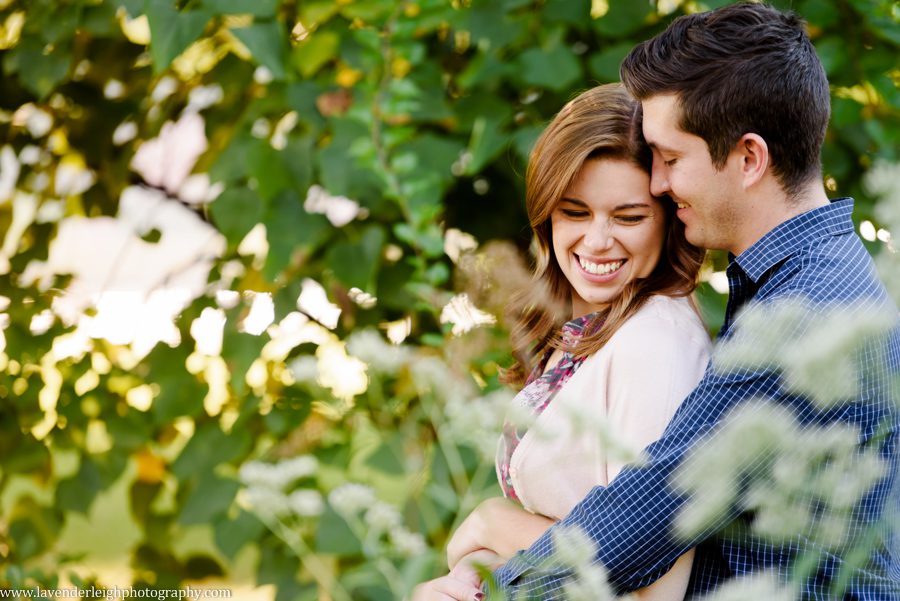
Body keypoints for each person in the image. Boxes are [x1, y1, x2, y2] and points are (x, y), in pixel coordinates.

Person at [462, 2, 900, 599]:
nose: (660, 183)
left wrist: (486, 580)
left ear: (749, 158)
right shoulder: (801, 278)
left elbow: (650, 511)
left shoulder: (807, 313)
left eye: (670, 158)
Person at [412, 83, 711, 601]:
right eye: (574, 212)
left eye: (628, 216)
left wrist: (490, 523)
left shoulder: (658, 344)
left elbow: (654, 592)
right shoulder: (587, 328)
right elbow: (561, 528)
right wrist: (473, 577)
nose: (597, 241)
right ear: (546, 215)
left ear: (668, 220)